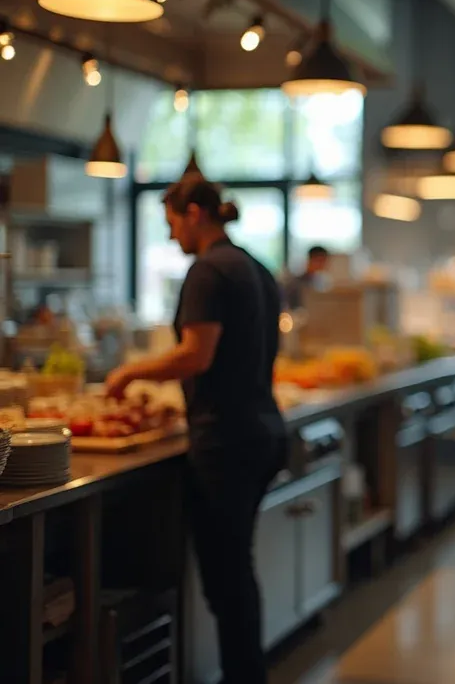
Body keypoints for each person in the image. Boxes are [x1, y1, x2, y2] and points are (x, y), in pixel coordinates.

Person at [105, 176, 285, 684]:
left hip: (226, 441)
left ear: (195, 214)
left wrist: (129, 373)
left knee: (227, 581)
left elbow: (196, 354)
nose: (170, 238)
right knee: (236, 573)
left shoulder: (207, 271)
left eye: (170, 224)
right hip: (263, 428)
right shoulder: (255, 266)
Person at [284, 245, 329, 309]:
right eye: (319, 261)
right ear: (310, 260)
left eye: (324, 261)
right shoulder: (296, 283)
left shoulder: (323, 282)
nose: (322, 264)